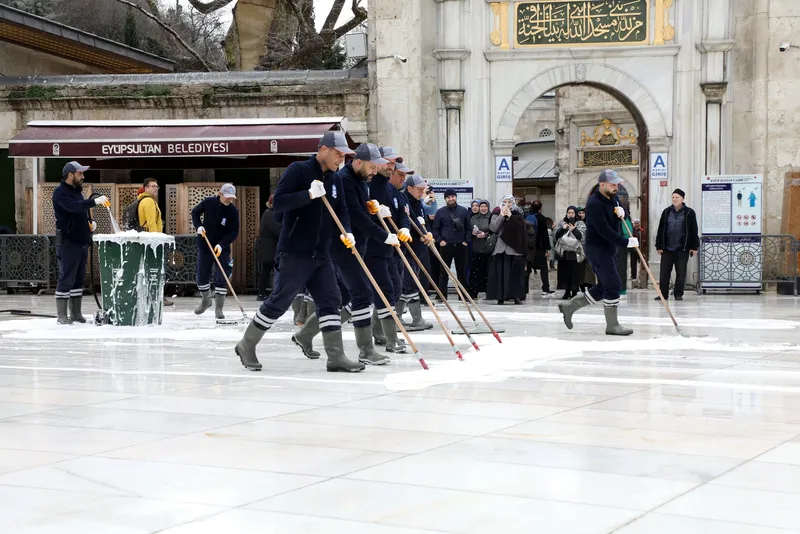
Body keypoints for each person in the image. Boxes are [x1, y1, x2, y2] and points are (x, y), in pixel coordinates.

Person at [234, 131, 363, 372]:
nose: (341, 160)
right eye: (338, 154)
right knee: (280, 300)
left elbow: (341, 210)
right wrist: (308, 194)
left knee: (331, 301)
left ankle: (336, 356)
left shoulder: (335, 179)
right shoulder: (298, 170)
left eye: (344, 156)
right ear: (323, 150)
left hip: (321, 254)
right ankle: (247, 344)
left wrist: (347, 231)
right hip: (295, 252)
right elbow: (278, 203)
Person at [291, 143, 396, 366]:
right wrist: (383, 236)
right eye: (372, 167)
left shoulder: (361, 180)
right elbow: (354, 215)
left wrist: (373, 209)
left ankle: (305, 335)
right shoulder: (345, 180)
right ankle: (366, 350)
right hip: (342, 246)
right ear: (358, 162)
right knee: (362, 293)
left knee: (342, 298)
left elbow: (360, 210)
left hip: (357, 245)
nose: (374, 171)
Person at [558, 170, 639, 336]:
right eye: (612, 184)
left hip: (609, 249)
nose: (616, 187)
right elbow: (604, 230)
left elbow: (615, 218)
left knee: (603, 287)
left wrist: (622, 213)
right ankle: (612, 325)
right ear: (602, 184)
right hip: (597, 249)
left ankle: (570, 306)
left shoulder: (613, 198)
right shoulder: (594, 204)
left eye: (617, 184)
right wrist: (626, 242)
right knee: (613, 285)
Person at [365, 147, 411, 351]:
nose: (391, 167)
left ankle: (380, 332)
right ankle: (389, 338)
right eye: (388, 162)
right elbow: (360, 216)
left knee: (395, 289)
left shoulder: (391, 189)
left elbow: (401, 214)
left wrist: (404, 228)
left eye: (393, 164)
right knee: (381, 292)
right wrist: (374, 215)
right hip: (371, 248)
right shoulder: (368, 185)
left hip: (389, 249)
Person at [52, 161, 107, 325]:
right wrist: (94, 202)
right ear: (70, 175)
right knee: (67, 277)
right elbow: (73, 207)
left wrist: (89, 224)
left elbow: (80, 212)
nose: (83, 176)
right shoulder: (60, 193)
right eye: (80, 173)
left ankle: (76, 313)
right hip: (68, 242)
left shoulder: (77, 192)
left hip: (81, 241)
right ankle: (62, 316)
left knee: (79, 279)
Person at [191, 183, 240, 321]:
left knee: (221, 276)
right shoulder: (209, 202)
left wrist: (221, 244)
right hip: (205, 245)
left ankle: (219, 309)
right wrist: (198, 226)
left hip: (221, 249)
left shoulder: (233, 211)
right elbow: (195, 212)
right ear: (220, 194)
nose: (229, 199)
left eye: (231, 197)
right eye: (227, 196)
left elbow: (234, 232)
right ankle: (206, 300)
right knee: (202, 275)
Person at [398, 173, 435, 330]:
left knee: (408, 284)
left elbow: (421, 219)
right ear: (410, 188)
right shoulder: (404, 199)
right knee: (410, 283)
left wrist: (426, 232)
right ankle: (415, 318)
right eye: (419, 189)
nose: (421, 192)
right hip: (407, 248)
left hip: (418, 249)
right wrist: (418, 233)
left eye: (423, 189)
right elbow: (407, 221)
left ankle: (397, 317)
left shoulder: (418, 201)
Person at [655, 188, 700, 301]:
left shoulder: (689, 212)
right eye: (673, 197)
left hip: (682, 248)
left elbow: (694, 230)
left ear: (682, 199)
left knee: (681, 272)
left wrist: (694, 247)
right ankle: (663, 294)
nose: (674, 199)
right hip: (667, 248)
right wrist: (658, 245)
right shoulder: (666, 212)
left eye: (677, 197)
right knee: (664, 273)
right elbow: (661, 229)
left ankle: (678, 293)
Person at [136, 178, 173, 307]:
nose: (156, 188)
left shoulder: (143, 200)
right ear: (146, 188)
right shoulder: (148, 201)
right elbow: (151, 223)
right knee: (154, 270)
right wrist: (156, 241)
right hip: (152, 241)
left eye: (157, 186)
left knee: (148, 270)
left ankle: (152, 295)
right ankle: (157, 296)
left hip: (145, 240)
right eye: (153, 186)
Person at [487, 195, 527, 304]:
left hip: (514, 249)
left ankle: (515, 296)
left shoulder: (518, 214)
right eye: (505, 202)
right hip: (500, 248)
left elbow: (520, 230)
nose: (507, 204)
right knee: (500, 274)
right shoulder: (496, 213)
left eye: (509, 202)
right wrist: (501, 215)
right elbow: (493, 228)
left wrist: (510, 218)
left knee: (514, 275)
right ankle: (500, 296)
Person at [432, 188, 471, 298]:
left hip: (461, 246)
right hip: (446, 246)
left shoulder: (464, 211)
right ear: (445, 199)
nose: (451, 199)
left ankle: (463, 296)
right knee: (443, 272)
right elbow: (435, 229)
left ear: (456, 197)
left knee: (461, 272)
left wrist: (466, 241)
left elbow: (469, 228)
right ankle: (442, 296)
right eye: (448, 197)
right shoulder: (440, 212)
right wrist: (440, 241)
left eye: (453, 196)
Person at [555, 206, 584, 300]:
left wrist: (574, 230)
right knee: (565, 272)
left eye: (572, 213)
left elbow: (582, 237)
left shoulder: (580, 223)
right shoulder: (562, 223)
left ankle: (574, 291)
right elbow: (556, 236)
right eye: (569, 213)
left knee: (574, 272)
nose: (570, 214)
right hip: (564, 253)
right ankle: (567, 291)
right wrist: (562, 229)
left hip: (575, 253)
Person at [257, 195, 281, 300]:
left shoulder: (271, 213)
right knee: (267, 270)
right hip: (268, 248)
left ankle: (264, 292)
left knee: (267, 270)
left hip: (270, 247)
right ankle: (262, 293)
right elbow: (278, 230)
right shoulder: (270, 214)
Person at [469, 199, 492, 298]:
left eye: (485, 206)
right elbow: (469, 228)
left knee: (487, 271)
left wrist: (485, 234)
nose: (483, 208)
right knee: (475, 271)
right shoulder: (474, 218)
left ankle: (489, 292)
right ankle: (474, 292)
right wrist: (472, 232)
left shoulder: (491, 217)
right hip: (476, 248)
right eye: (481, 206)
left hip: (487, 249)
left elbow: (494, 231)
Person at [530, 201, 554, 296]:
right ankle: (545, 288)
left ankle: (524, 290)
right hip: (539, 247)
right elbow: (544, 234)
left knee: (527, 268)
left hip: (529, 247)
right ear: (540, 208)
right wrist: (547, 248)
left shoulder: (527, 217)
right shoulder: (542, 218)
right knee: (544, 267)